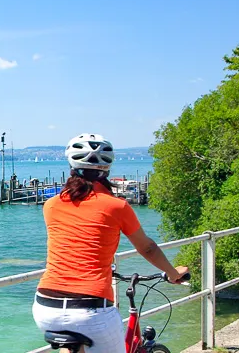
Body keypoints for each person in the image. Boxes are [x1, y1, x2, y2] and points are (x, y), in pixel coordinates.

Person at [32, 133, 188, 353]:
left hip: (46, 307)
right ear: (106, 170)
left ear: (71, 166)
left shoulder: (50, 205)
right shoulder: (117, 206)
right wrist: (173, 273)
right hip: (90, 310)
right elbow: (147, 247)